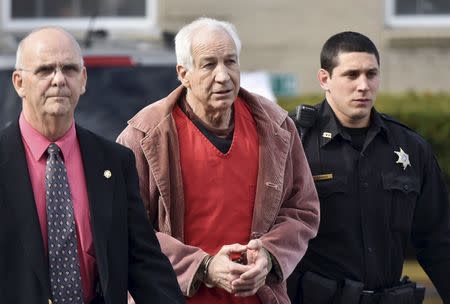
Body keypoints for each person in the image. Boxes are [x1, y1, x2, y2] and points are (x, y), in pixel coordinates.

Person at [117, 17, 320, 304]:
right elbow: (125, 229)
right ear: (183, 73)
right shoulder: (143, 136)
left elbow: (302, 210)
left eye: (231, 62)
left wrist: (270, 255)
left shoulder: (277, 127)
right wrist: (204, 266)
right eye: (209, 64)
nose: (223, 76)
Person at [1, 27, 184, 304]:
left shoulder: (114, 161)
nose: (59, 80)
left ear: (83, 79)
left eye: (70, 69)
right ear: (18, 82)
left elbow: (144, 263)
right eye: (45, 70)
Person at [287, 31, 450, 303]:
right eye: (351, 75)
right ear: (325, 79)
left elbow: (439, 241)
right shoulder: (295, 142)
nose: (363, 85)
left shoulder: (410, 147)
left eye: (371, 74)